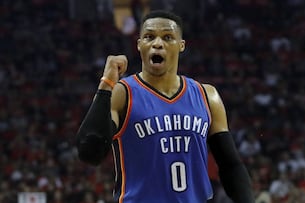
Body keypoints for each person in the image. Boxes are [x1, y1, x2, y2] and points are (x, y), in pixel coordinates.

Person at [76, 10, 254, 203]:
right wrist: (106, 84)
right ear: (139, 45)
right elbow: (89, 153)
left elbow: (230, 166)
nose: (157, 43)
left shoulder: (207, 95)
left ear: (181, 45)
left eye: (168, 37)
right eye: (149, 37)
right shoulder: (123, 93)